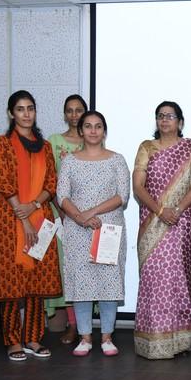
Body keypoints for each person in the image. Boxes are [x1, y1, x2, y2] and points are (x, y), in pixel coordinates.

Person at [132, 101, 191, 359]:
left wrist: (177, 210)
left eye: (170, 116)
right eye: (160, 116)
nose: (165, 120)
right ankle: (151, 341)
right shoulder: (147, 147)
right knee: (153, 279)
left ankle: (180, 341)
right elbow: (138, 187)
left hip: (181, 222)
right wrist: (160, 210)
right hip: (152, 221)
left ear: (180, 121)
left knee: (177, 279)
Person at [0, 90, 62, 361]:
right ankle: (12, 341)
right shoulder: (1, 144)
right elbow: (3, 182)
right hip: (10, 218)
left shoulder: (45, 147)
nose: (26, 114)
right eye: (20, 109)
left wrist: (33, 207)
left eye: (30, 108)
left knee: (37, 282)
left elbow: (51, 183)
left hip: (40, 215)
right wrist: (24, 218)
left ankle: (32, 338)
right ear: (11, 113)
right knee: (12, 283)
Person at [58, 111, 130, 357]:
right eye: (88, 126)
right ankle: (85, 337)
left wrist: (91, 212)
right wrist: (80, 218)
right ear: (81, 131)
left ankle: (107, 337)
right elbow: (62, 196)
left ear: (104, 131)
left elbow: (122, 196)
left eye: (98, 126)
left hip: (108, 230)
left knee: (109, 282)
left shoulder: (117, 160)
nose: (93, 130)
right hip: (78, 230)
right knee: (81, 282)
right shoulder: (69, 161)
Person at [46, 94, 87, 345]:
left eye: (79, 110)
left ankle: (85, 326)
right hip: (60, 214)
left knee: (86, 270)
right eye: (69, 111)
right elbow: (49, 179)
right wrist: (62, 211)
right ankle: (72, 325)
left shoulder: (92, 139)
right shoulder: (54, 141)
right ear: (64, 114)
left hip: (89, 217)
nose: (74, 115)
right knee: (67, 270)